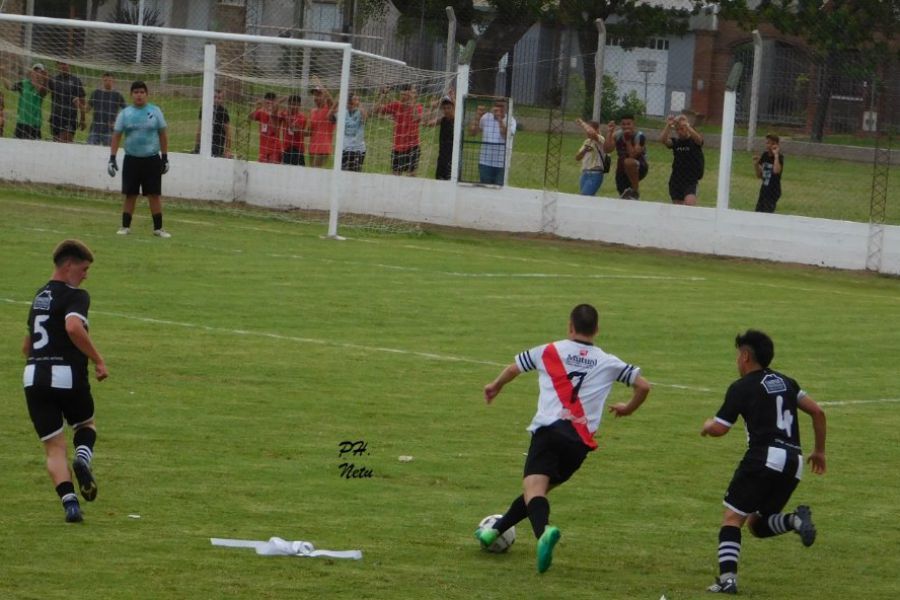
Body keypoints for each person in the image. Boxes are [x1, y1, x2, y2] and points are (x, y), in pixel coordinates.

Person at [477, 304, 651, 573]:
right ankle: (495, 531)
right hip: (579, 443)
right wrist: (628, 408)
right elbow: (643, 385)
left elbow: (514, 369)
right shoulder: (608, 361)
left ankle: (543, 533)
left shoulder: (550, 350)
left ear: (570, 326)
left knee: (534, 490)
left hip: (549, 431)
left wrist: (494, 386)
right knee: (537, 492)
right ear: (597, 330)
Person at [701, 329, 826, 594]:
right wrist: (820, 451)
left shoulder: (741, 387)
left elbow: (721, 429)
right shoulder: (788, 382)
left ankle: (727, 581)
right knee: (757, 524)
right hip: (794, 462)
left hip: (764, 457)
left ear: (746, 356)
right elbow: (817, 411)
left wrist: (708, 425)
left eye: (738, 355)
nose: (737, 360)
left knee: (732, 519)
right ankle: (795, 521)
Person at [22, 239, 108, 523]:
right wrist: (98, 359)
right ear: (69, 265)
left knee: (54, 446)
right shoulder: (76, 295)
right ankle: (83, 458)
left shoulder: (38, 297)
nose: (85, 275)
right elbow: (73, 326)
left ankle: (70, 504)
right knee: (85, 425)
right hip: (66, 374)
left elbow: (27, 346)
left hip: (33, 377)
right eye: (83, 269)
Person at [108, 80, 171, 238]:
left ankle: (158, 229)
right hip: (131, 159)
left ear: (146, 94)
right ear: (131, 95)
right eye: (136, 92)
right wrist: (112, 157)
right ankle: (125, 226)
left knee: (154, 194)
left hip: (151, 159)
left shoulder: (155, 111)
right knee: (130, 194)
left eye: (142, 92)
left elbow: (163, 135)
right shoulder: (125, 114)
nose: (139, 95)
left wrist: (165, 157)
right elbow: (116, 136)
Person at [375, 85, 423, 176]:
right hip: (398, 146)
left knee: (411, 175)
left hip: (413, 146)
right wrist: (382, 95)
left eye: (406, 95)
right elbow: (376, 110)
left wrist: (412, 101)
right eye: (402, 94)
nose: (403, 97)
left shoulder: (418, 107)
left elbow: (417, 119)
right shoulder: (396, 105)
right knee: (395, 176)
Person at [660, 113, 704, 205]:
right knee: (678, 209)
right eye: (677, 130)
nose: (680, 132)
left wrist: (687, 126)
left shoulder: (694, 141)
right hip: (676, 180)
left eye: (682, 129)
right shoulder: (676, 142)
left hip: (690, 180)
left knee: (689, 203)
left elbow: (699, 140)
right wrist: (668, 125)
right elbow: (663, 140)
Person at [469, 99, 516, 185]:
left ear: (506, 108)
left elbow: (506, 135)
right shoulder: (486, 117)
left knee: (499, 189)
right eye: (496, 105)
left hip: (502, 163)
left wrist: (499, 120)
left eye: (501, 106)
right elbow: (472, 133)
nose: (498, 108)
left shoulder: (511, 120)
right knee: (485, 188)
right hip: (485, 162)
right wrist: (478, 116)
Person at [603, 113, 648, 200]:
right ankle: (631, 198)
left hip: (638, 167)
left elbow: (633, 155)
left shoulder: (639, 136)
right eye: (623, 124)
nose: (626, 127)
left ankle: (635, 191)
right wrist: (609, 132)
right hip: (622, 169)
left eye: (628, 124)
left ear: (633, 124)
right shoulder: (618, 134)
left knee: (628, 162)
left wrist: (628, 140)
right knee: (624, 197)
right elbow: (607, 149)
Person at [48, 61, 86, 143]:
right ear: (57, 66)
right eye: (60, 64)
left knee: (65, 143)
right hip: (55, 117)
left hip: (69, 118)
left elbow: (82, 102)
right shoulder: (53, 80)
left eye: (65, 64)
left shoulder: (75, 80)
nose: (63, 66)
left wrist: (83, 119)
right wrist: (43, 78)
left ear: (69, 65)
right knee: (56, 144)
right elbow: (43, 92)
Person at [9, 63, 48, 140]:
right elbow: (9, 87)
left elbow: (42, 93)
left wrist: (41, 80)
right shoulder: (23, 83)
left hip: (35, 123)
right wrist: (2, 74)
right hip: (22, 121)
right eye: (35, 71)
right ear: (31, 72)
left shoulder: (44, 86)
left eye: (39, 72)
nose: (37, 73)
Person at [87, 72, 126, 146]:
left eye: (110, 80)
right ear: (102, 81)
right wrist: (78, 104)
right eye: (105, 80)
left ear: (113, 81)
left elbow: (126, 111)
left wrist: (117, 122)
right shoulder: (96, 93)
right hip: (95, 128)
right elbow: (87, 109)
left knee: (108, 152)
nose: (107, 82)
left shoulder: (117, 94)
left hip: (109, 129)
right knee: (91, 149)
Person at [194, 88, 232, 158]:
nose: (216, 100)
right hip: (204, 143)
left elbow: (228, 133)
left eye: (219, 98)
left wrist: (228, 150)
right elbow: (199, 129)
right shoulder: (204, 108)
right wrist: (197, 145)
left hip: (217, 145)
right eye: (215, 97)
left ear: (222, 100)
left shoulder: (223, 112)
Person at [574, 118, 608, 196]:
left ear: (596, 129)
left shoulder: (600, 139)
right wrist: (585, 150)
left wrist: (582, 123)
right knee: (588, 197)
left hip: (595, 173)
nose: (586, 131)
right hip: (585, 173)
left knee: (584, 196)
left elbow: (591, 133)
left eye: (588, 128)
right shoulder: (587, 141)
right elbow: (577, 157)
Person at [753, 134, 784, 213]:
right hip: (764, 188)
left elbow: (776, 171)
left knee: (767, 212)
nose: (767, 145)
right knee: (758, 211)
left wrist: (776, 155)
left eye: (770, 143)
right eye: (767, 143)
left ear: (775, 145)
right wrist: (756, 164)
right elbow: (759, 175)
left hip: (773, 190)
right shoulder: (765, 155)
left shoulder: (779, 157)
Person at [249, 92, 282, 164]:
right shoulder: (261, 112)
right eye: (267, 103)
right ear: (265, 102)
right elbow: (250, 117)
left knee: (273, 170)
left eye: (271, 103)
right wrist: (256, 108)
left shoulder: (278, 114)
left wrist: (271, 114)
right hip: (263, 149)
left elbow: (276, 131)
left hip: (274, 149)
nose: (269, 105)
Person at [308, 85, 337, 168]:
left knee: (315, 171)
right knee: (312, 173)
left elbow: (333, 104)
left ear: (324, 95)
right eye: (314, 95)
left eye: (318, 95)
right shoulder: (312, 111)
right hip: (312, 148)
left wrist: (326, 93)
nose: (316, 97)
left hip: (324, 148)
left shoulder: (329, 109)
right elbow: (310, 131)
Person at [341, 93, 367, 172]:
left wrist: (359, 104)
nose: (357, 101)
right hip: (345, 148)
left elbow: (365, 119)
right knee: (344, 171)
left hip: (358, 148)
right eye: (354, 99)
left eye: (358, 100)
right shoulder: (343, 112)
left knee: (356, 172)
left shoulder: (360, 112)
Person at [433, 95, 454, 180]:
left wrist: (454, 100)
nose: (446, 110)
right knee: (439, 181)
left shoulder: (456, 121)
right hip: (442, 157)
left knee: (449, 181)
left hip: (452, 158)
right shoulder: (442, 120)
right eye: (444, 108)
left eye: (448, 108)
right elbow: (427, 122)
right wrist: (433, 107)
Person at [281, 94, 307, 166]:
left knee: (299, 173)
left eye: (296, 105)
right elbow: (273, 113)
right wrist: (281, 100)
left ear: (299, 105)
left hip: (298, 149)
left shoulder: (302, 117)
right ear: (288, 104)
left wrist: (288, 119)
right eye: (291, 104)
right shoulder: (284, 113)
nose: (293, 107)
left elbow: (295, 130)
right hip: (287, 148)